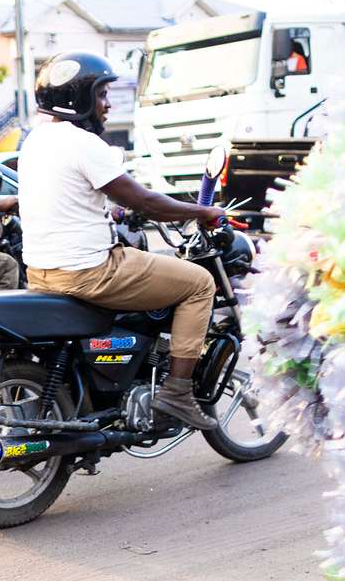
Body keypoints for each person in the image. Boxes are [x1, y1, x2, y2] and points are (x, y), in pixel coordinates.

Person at [17, 51, 226, 430]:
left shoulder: (36, 141)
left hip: (43, 271)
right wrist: (202, 212)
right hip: (90, 271)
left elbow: (70, 197)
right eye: (101, 94)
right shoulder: (82, 142)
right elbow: (145, 200)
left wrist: (111, 213)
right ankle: (177, 394)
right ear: (77, 98)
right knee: (199, 283)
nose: (108, 104)